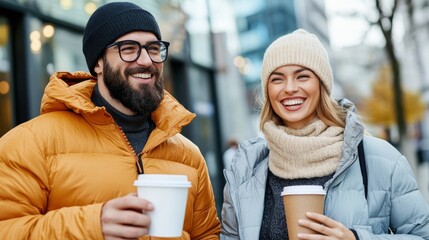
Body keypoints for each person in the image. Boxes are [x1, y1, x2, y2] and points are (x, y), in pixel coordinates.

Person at [0, 2, 220, 239]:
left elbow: (207, 234)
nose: (146, 60)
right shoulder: (31, 143)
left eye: (154, 48)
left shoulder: (190, 156)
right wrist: (93, 226)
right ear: (98, 63)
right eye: (128, 48)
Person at [220, 29, 429, 239]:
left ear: (322, 85)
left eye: (302, 76)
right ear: (267, 90)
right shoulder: (245, 169)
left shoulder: (380, 159)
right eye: (277, 79)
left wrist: (356, 238)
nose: (290, 88)